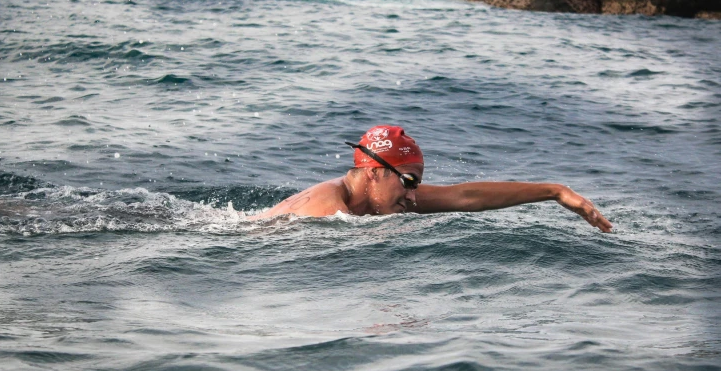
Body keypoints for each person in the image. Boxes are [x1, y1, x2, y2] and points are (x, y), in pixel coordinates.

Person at [252, 125, 613, 232]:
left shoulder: (381, 197)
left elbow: (465, 197)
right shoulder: (325, 211)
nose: (414, 195)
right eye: (409, 181)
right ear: (376, 172)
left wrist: (554, 191)